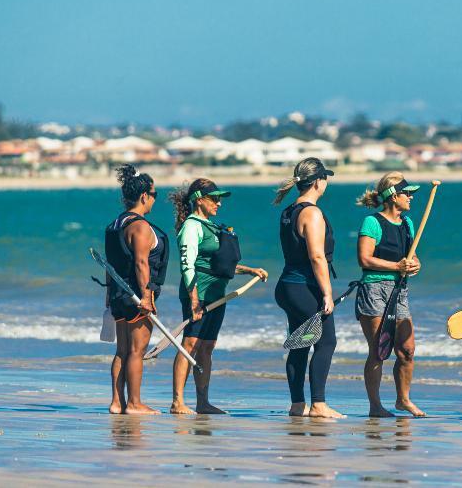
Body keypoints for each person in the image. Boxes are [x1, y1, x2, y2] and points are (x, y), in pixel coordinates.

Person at [169, 179, 267, 414]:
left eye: (219, 198)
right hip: (198, 294)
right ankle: (177, 402)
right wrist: (194, 299)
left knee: (207, 347)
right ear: (199, 200)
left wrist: (250, 270)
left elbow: (221, 265)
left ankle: (202, 402)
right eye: (214, 198)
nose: (219, 203)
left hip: (217, 296)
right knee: (190, 344)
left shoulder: (211, 226)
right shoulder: (192, 227)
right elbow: (187, 265)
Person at [273, 158, 344, 419]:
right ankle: (318, 405)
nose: (326, 183)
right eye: (325, 178)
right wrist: (327, 293)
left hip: (288, 286)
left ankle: (296, 404)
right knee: (326, 342)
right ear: (317, 181)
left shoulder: (289, 211)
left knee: (299, 343)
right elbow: (317, 257)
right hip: (305, 287)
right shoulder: (311, 213)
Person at [355, 172, 424, 418]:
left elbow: (411, 256)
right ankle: (375, 406)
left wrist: (415, 264)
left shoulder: (407, 223)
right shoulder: (372, 222)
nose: (411, 198)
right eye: (407, 193)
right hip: (374, 289)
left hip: (399, 291)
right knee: (379, 350)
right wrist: (397, 266)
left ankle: (403, 400)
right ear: (393, 196)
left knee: (407, 350)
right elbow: (364, 258)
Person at [104, 164, 169, 415]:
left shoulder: (114, 225)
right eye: (154, 195)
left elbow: (109, 265)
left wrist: (108, 295)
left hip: (119, 295)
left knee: (122, 350)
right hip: (136, 297)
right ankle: (134, 403)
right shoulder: (140, 227)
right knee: (136, 350)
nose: (154, 200)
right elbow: (142, 263)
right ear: (144, 196)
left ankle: (117, 402)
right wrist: (147, 296)